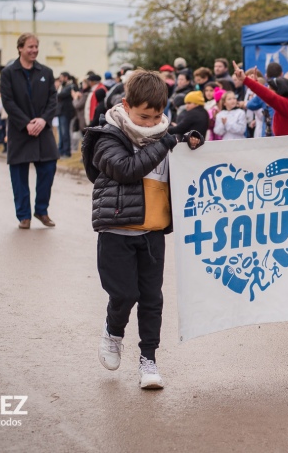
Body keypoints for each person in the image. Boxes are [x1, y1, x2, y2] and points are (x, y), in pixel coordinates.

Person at [81, 69, 203, 389]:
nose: (150, 122)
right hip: (116, 231)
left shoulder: (166, 137)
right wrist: (166, 142)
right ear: (126, 105)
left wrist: (193, 147)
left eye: (157, 116)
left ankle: (148, 360)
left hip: (152, 234)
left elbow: (184, 168)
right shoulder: (107, 137)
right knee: (124, 294)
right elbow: (125, 170)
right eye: (143, 116)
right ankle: (113, 332)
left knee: (152, 298)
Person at [0, 33, 59, 230]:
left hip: (43, 130)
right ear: (20, 48)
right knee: (18, 176)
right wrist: (26, 123)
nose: (34, 50)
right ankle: (23, 215)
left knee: (49, 168)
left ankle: (41, 210)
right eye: (30, 47)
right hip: (20, 131)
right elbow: (8, 102)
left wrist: (43, 120)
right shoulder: (8, 73)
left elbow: (53, 100)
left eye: (36, 47)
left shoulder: (47, 72)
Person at [234, 62, 288, 136]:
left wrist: (245, 80)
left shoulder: (287, 105)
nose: (267, 96)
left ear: (279, 92)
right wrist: (256, 83)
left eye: (270, 90)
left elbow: (269, 96)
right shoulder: (287, 105)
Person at [56, 72, 76, 158]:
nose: (60, 80)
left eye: (61, 78)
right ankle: (60, 151)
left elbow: (60, 95)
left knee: (65, 133)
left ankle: (66, 152)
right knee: (60, 133)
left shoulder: (70, 86)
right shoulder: (63, 87)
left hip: (66, 113)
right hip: (60, 112)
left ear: (66, 77)